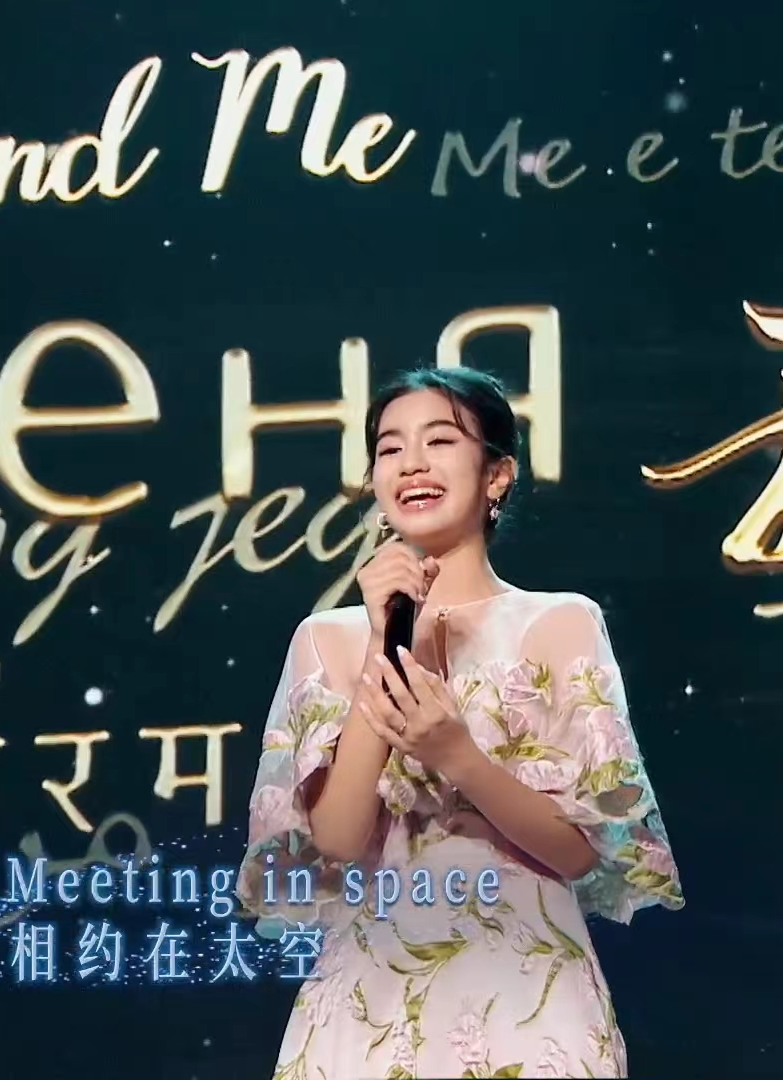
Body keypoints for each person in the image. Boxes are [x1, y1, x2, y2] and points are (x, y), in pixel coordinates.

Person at [237, 366, 683, 1079]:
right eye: (389, 448)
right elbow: (337, 841)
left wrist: (459, 756)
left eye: (440, 441)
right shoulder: (326, 638)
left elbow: (582, 855)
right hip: (372, 996)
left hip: (527, 991)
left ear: (497, 475)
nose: (411, 463)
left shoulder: (560, 623)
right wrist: (384, 639)